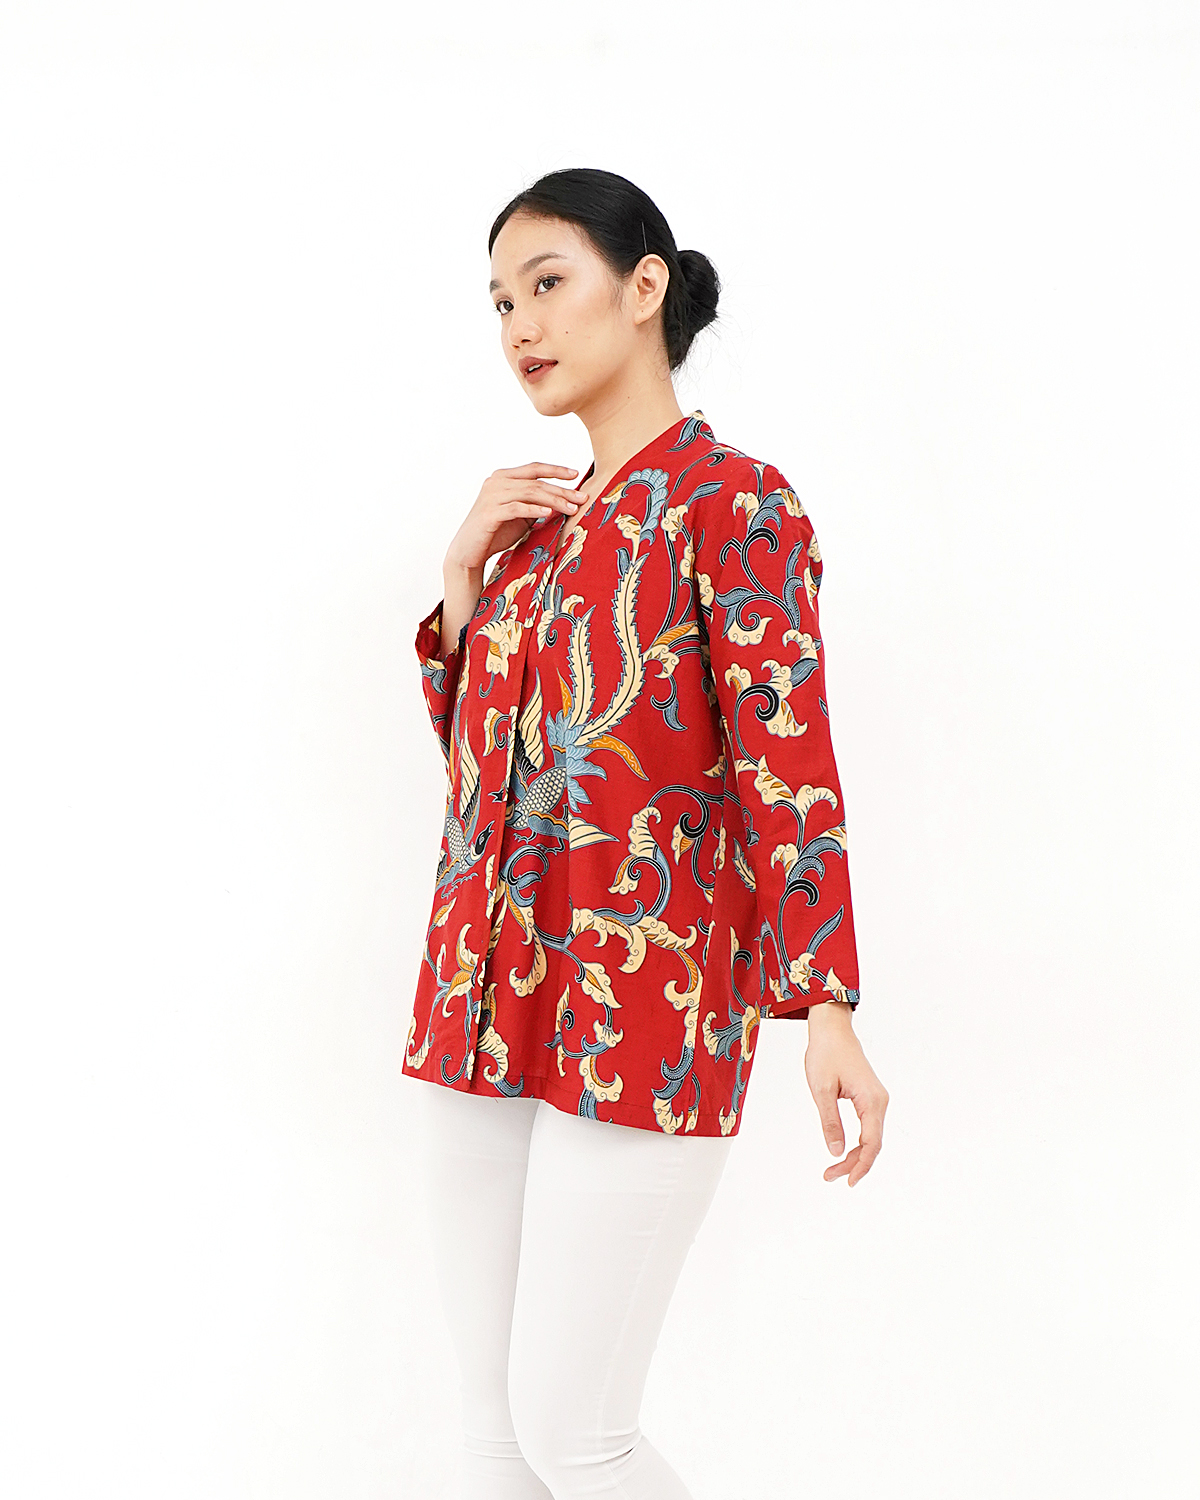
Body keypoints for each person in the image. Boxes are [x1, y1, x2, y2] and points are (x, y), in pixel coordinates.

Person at [405, 167, 890, 1499]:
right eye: (499, 302)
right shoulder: (529, 536)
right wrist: (461, 579)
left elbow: (790, 766)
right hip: (482, 1000)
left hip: (643, 1014)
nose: (519, 325)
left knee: (578, 1432)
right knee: (493, 1430)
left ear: (645, 287)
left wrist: (827, 1004)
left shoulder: (736, 505)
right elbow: (482, 784)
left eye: (546, 283)